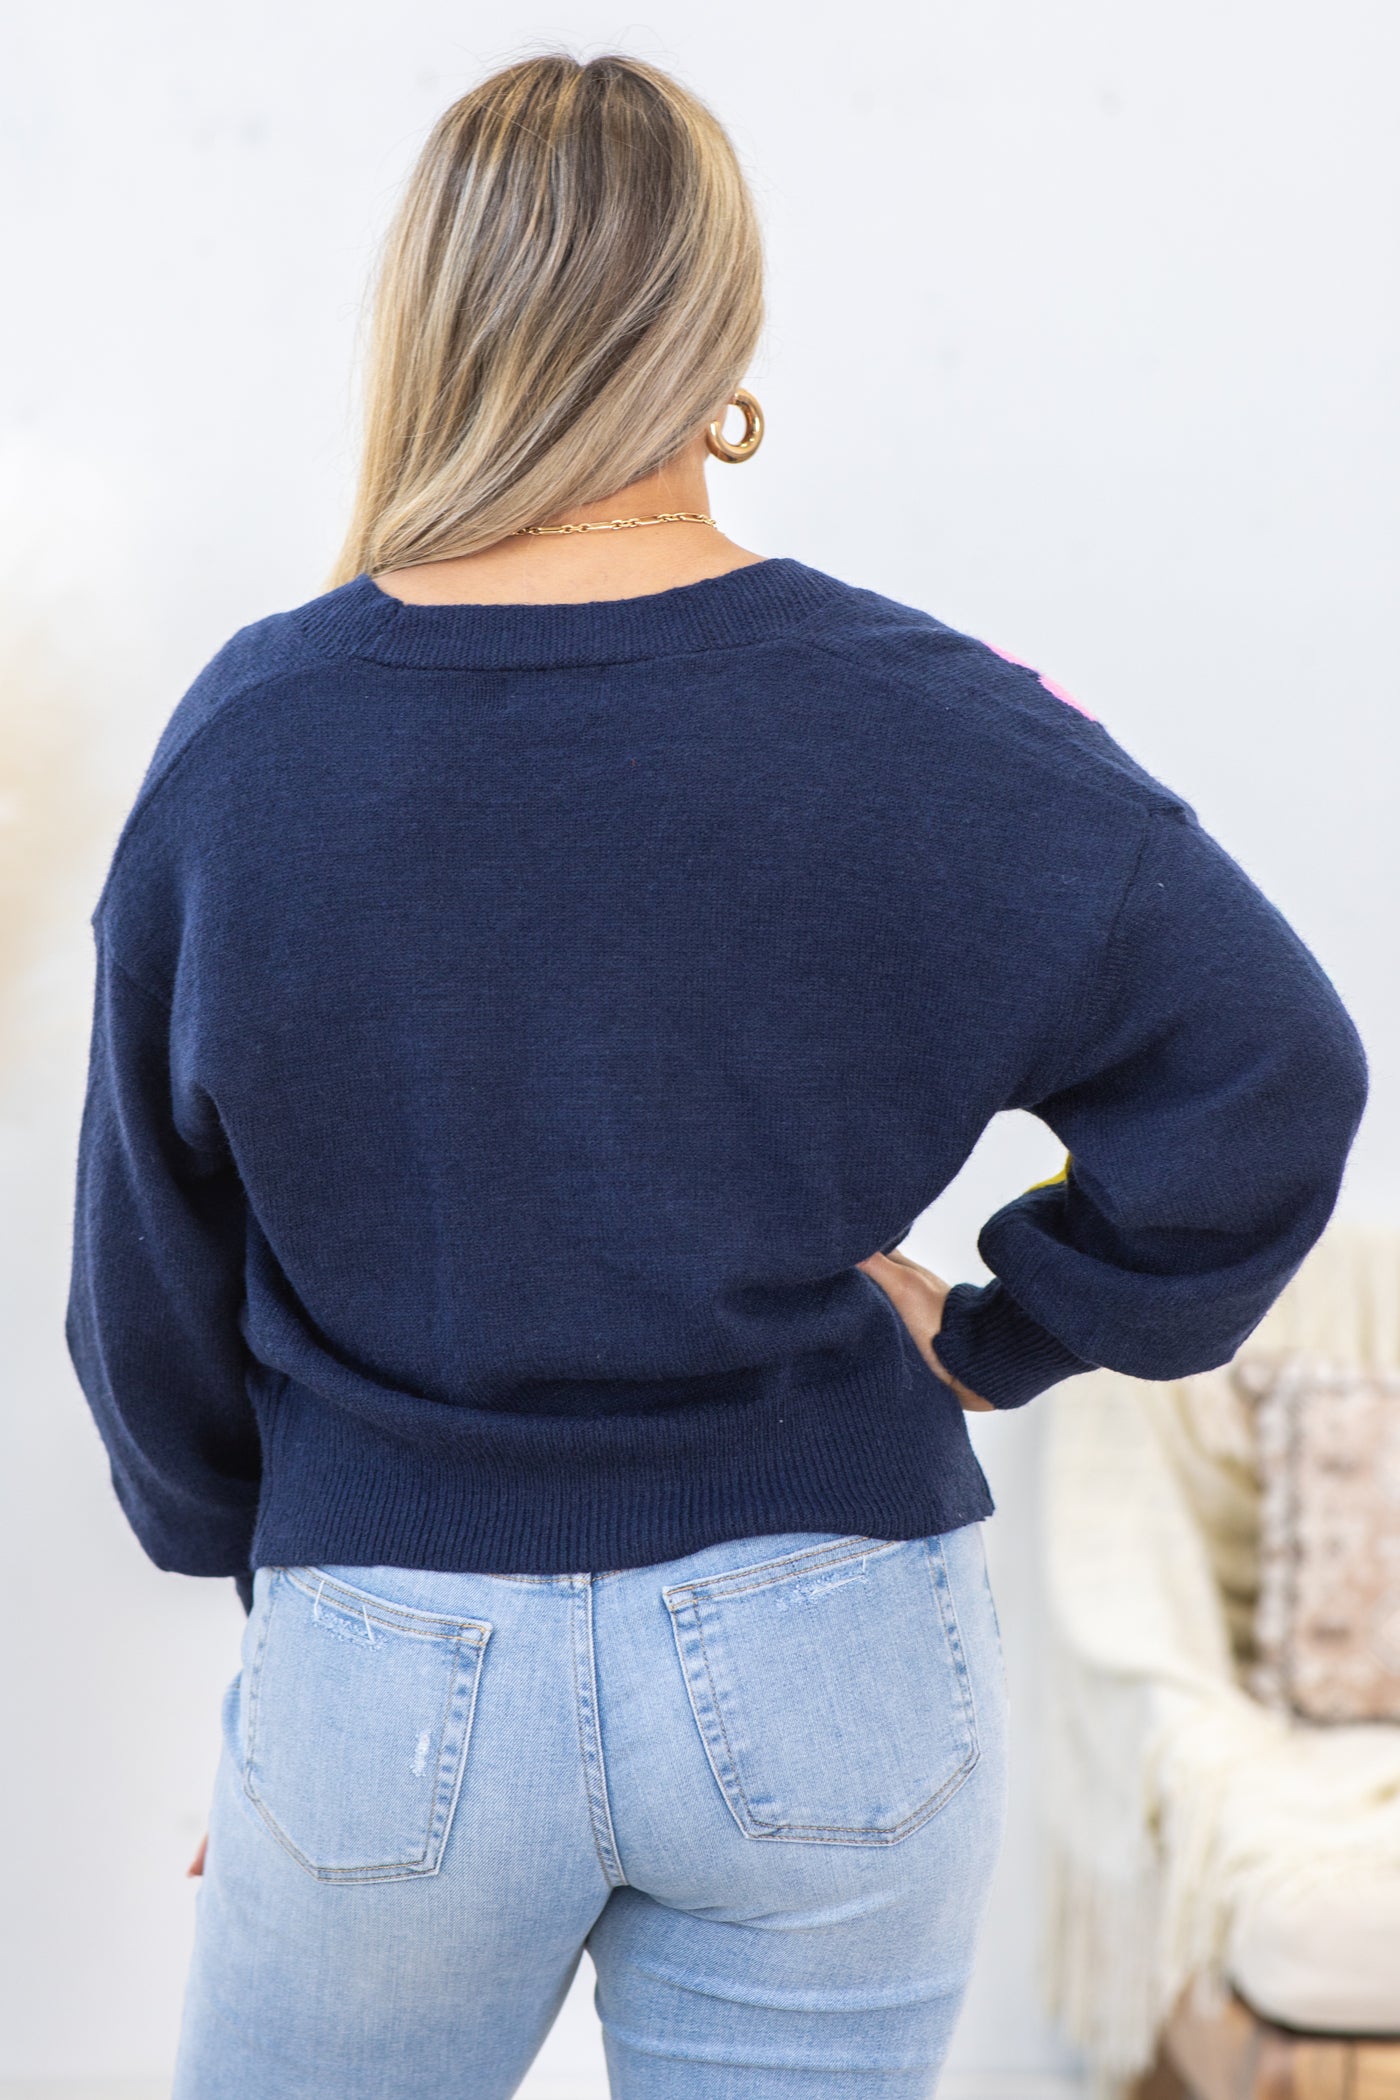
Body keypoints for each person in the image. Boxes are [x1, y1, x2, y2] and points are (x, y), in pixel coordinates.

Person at [65, 50, 1367, 2100]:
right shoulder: (924, 719)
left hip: (393, 1664)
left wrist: (299, 1627)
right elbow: (1268, 1074)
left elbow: (143, 1284)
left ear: (433, 313)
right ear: (719, 333)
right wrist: (1017, 1332)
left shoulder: (255, 743)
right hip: (829, 1644)